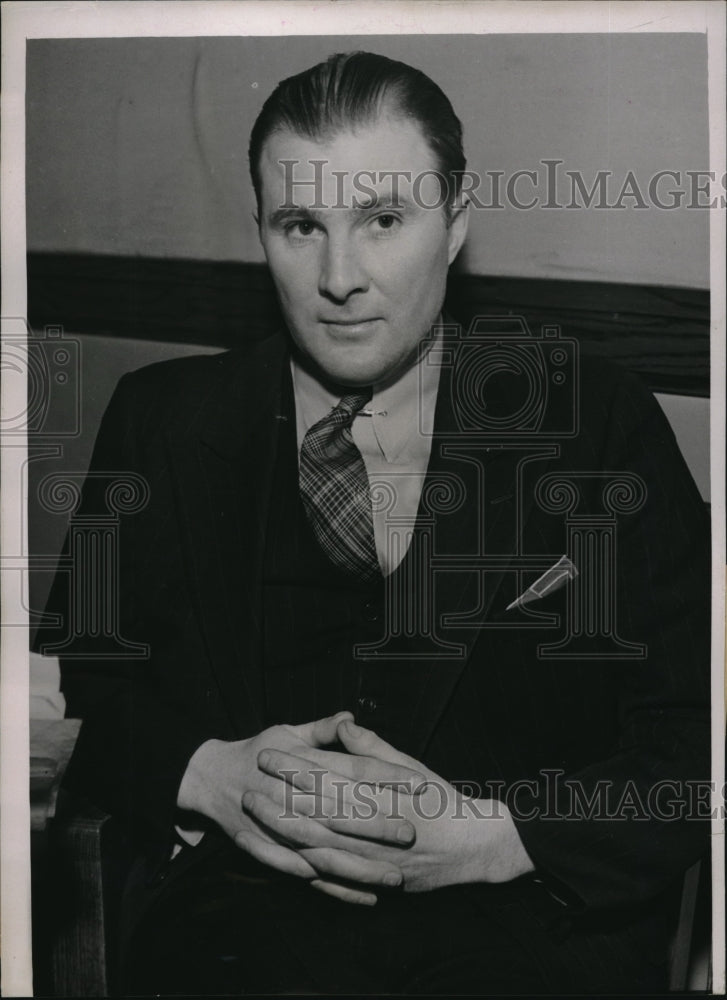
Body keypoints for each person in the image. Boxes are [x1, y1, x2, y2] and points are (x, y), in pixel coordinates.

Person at [41, 51, 710, 994]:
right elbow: (84, 691)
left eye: (383, 219)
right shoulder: (159, 419)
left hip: (529, 936)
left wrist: (490, 840)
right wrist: (206, 774)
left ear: (455, 226)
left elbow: (696, 737)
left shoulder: (595, 420)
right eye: (301, 225)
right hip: (239, 934)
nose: (339, 276)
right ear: (261, 234)